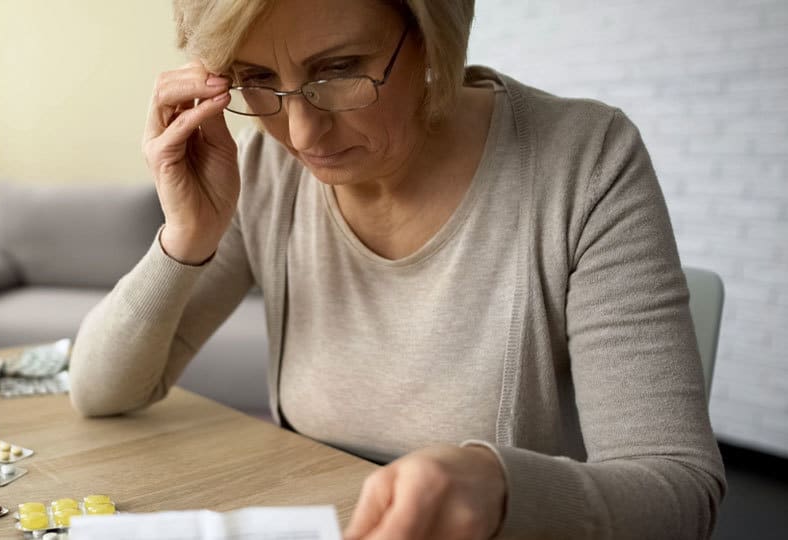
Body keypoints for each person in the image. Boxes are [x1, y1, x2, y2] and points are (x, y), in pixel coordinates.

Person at [68, 0, 725, 538]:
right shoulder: (268, 173)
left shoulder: (583, 162)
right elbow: (101, 391)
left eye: (340, 69)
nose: (301, 135)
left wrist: (501, 487)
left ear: (431, 35)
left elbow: (682, 492)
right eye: (257, 79)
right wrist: (187, 235)